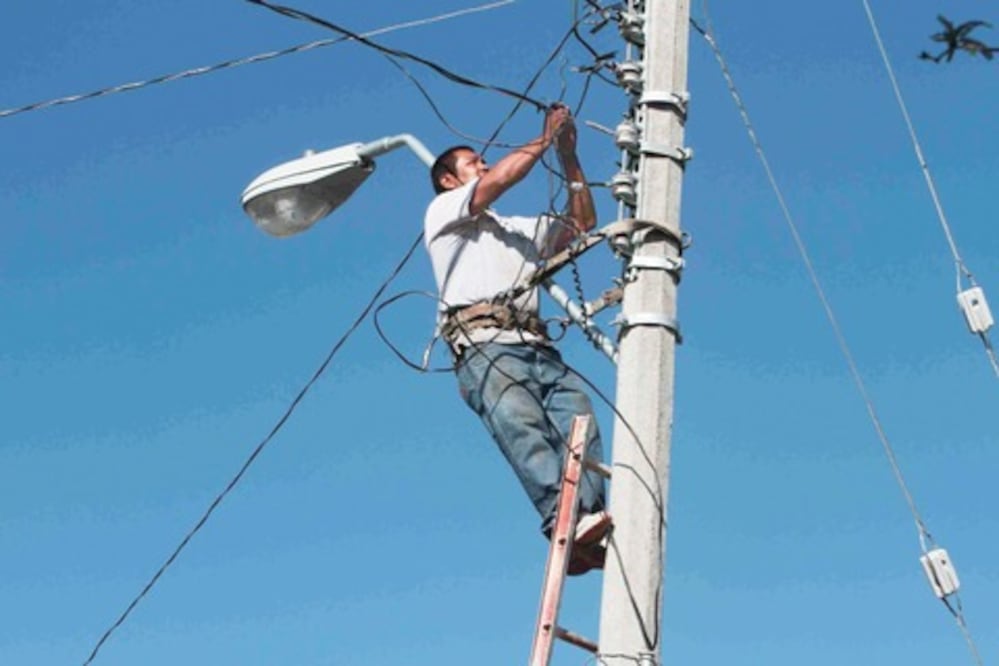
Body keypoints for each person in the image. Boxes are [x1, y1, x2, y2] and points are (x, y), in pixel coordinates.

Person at [423, 104, 610, 574]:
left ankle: (585, 525)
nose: (482, 165)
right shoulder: (445, 212)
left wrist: (569, 158)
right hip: (486, 346)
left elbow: (580, 222)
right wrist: (545, 139)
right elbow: (503, 178)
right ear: (450, 180)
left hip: (537, 345)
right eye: (472, 163)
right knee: (522, 428)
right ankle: (562, 519)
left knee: (579, 422)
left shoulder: (513, 231)